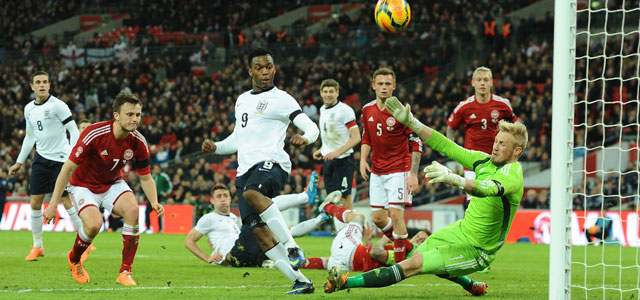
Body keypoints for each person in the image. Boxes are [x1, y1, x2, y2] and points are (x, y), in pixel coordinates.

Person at [324, 97, 527, 296]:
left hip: (478, 249)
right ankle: (472, 285)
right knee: (416, 255)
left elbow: (487, 188)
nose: (495, 146)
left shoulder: (513, 175)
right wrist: (412, 122)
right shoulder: (483, 161)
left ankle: (344, 282)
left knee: (412, 265)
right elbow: (446, 145)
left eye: (502, 144)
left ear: (516, 150)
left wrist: (457, 180)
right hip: (460, 231)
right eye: (496, 141)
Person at [201, 47, 319, 294]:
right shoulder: (242, 100)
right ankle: (301, 281)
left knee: (252, 194)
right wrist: (216, 147)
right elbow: (237, 139)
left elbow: (311, 127)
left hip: (272, 163)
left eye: (269, 67)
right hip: (244, 172)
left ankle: (293, 248)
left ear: (274, 68)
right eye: (260, 67)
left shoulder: (283, 99)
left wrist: (306, 138)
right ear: (250, 71)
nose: (265, 72)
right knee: (261, 235)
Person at [43, 92, 165, 286]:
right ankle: (74, 259)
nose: (135, 119)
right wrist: (52, 204)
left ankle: (125, 272)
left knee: (133, 210)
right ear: (116, 115)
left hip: (112, 184)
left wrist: (154, 201)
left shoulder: (138, 141)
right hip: (83, 186)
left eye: (138, 115)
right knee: (93, 225)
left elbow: (146, 176)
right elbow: (67, 169)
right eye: (130, 114)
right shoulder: (94, 133)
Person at [8, 71, 83, 261]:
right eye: (38, 82)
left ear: (50, 85)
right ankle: (38, 246)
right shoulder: (28, 109)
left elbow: (73, 131)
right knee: (35, 203)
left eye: (45, 82)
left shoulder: (58, 106)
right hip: (40, 160)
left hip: (61, 160)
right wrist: (19, 161)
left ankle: (84, 242)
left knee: (65, 200)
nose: (42, 85)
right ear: (32, 86)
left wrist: (72, 156)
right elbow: (30, 136)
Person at [359, 67, 423, 263]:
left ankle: (400, 263)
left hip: (399, 169)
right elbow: (367, 137)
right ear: (373, 86)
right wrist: (363, 160)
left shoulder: (402, 112)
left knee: (395, 215)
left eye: (388, 84)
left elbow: (416, 142)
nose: (384, 87)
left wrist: (413, 174)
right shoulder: (367, 109)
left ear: (394, 87)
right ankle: (408, 247)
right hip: (377, 171)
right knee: (378, 218)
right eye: (380, 84)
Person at [185, 182, 325, 267]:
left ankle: (322, 218)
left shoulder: (233, 217)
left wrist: (214, 247)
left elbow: (218, 239)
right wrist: (208, 257)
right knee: (259, 208)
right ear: (212, 201)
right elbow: (189, 241)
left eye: (225, 195)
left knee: (283, 232)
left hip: (248, 253)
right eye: (218, 196)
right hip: (236, 254)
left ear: (230, 198)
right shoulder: (208, 218)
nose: (223, 199)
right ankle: (305, 197)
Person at [446, 66, 517, 212]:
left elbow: (515, 128)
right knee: (473, 201)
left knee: (494, 200)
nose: (482, 83)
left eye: (486, 80)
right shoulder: (464, 107)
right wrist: (453, 152)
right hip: (472, 161)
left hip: (496, 161)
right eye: (479, 80)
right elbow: (451, 128)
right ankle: (473, 233)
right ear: (473, 83)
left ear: (491, 82)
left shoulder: (503, 104)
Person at [303, 191, 429, 272]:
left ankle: (327, 206)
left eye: (421, 240)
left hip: (348, 252)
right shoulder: (410, 259)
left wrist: (384, 239)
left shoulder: (406, 251)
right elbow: (373, 261)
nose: (417, 239)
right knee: (328, 262)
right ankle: (296, 264)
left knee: (358, 218)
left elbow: (375, 253)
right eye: (417, 236)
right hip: (348, 266)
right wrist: (368, 243)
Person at [312, 79, 361, 211]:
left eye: (331, 92)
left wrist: (338, 152)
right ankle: (340, 230)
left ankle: (352, 230)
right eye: (326, 92)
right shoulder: (322, 109)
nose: (328, 94)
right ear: (321, 93)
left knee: (345, 199)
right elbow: (329, 135)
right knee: (331, 199)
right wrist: (322, 149)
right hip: (328, 160)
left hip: (344, 161)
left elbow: (356, 137)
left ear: (337, 93)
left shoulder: (345, 110)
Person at [146, 165, 172, 233]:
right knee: (147, 212)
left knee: (159, 212)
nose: (155, 170)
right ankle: (148, 228)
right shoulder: (152, 176)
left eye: (157, 168)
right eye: (154, 168)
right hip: (152, 197)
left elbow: (170, 185)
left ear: (160, 169)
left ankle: (160, 229)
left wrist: (166, 192)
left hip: (160, 197)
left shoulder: (163, 176)